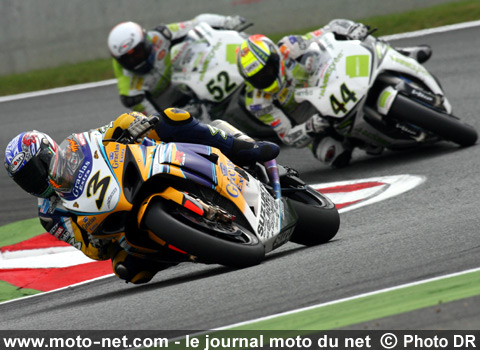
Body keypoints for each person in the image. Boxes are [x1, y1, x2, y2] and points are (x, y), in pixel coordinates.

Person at [4, 109, 279, 284]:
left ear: (50, 151)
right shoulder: (48, 215)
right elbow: (86, 248)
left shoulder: (75, 148)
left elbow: (109, 130)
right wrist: (97, 243)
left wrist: (132, 124)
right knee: (128, 270)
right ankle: (194, 245)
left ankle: (242, 147)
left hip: (139, 169)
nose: (37, 179)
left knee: (172, 118)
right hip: (116, 226)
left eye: (37, 168)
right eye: (27, 178)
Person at [236, 19, 433, 167]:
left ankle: (401, 52)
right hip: (315, 119)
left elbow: (329, 30)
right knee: (333, 155)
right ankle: (362, 140)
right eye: (257, 78)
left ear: (275, 57)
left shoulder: (290, 46)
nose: (264, 79)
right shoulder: (258, 102)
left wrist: (350, 29)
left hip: (329, 81)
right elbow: (286, 135)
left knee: (364, 41)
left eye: (267, 71)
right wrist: (310, 128)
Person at [108, 14, 247, 115]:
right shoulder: (130, 93)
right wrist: (176, 115)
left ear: (146, 41)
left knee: (191, 45)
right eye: (129, 59)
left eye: (138, 52)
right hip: (168, 104)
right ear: (119, 61)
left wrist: (226, 22)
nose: (136, 60)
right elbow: (152, 120)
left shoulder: (160, 35)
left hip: (185, 79)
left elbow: (197, 23)